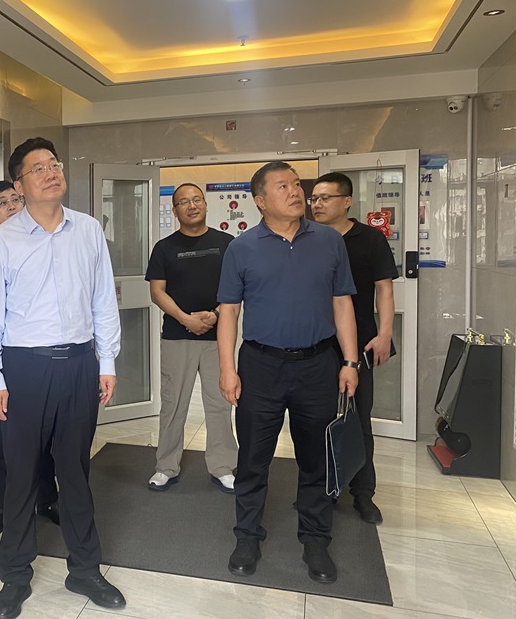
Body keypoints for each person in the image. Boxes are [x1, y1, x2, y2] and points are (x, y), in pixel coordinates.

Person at [0, 137, 124, 619]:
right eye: (38, 168)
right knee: (21, 475)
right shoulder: (4, 240)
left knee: (75, 471)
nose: (50, 172)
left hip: (79, 363)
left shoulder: (88, 230)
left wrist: (106, 362)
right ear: (19, 185)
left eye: (54, 164)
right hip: (24, 368)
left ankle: (85, 570)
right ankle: (15, 576)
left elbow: (103, 300)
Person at [217, 161, 359, 585]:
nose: (296, 192)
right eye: (283, 186)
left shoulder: (329, 241)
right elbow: (229, 312)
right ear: (261, 201)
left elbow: (342, 303)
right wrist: (227, 369)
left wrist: (350, 361)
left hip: (318, 364)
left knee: (316, 458)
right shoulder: (242, 248)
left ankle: (315, 539)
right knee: (253, 458)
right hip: (261, 366)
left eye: (297, 184)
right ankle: (247, 536)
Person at [0, 180, 59, 536]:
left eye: (16, 199)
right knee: (4, 437)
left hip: (40, 359)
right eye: (3, 203)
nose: (13, 206)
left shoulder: (44, 244)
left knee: (45, 434)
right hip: (1, 360)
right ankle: (0, 508)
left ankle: (47, 499)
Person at [310, 172, 397, 524]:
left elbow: (385, 289)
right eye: (314, 198)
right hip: (316, 345)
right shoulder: (306, 238)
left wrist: (385, 333)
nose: (317, 204)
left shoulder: (370, 239)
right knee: (317, 420)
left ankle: (363, 493)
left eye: (325, 198)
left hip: (359, 343)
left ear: (346, 201)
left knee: (358, 419)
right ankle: (323, 490)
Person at [145, 184, 237, 493]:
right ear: (175, 211)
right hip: (176, 337)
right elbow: (157, 291)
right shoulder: (164, 248)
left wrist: (216, 314)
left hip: (218, 338)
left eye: (196, 199)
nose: (191, 205)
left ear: (206, 205)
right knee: (173, 404)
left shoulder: (227, 244)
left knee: (220, 403)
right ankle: (165, 467)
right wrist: (185, 319)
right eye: (183, 202)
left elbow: (237, 287)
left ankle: (223, 466)